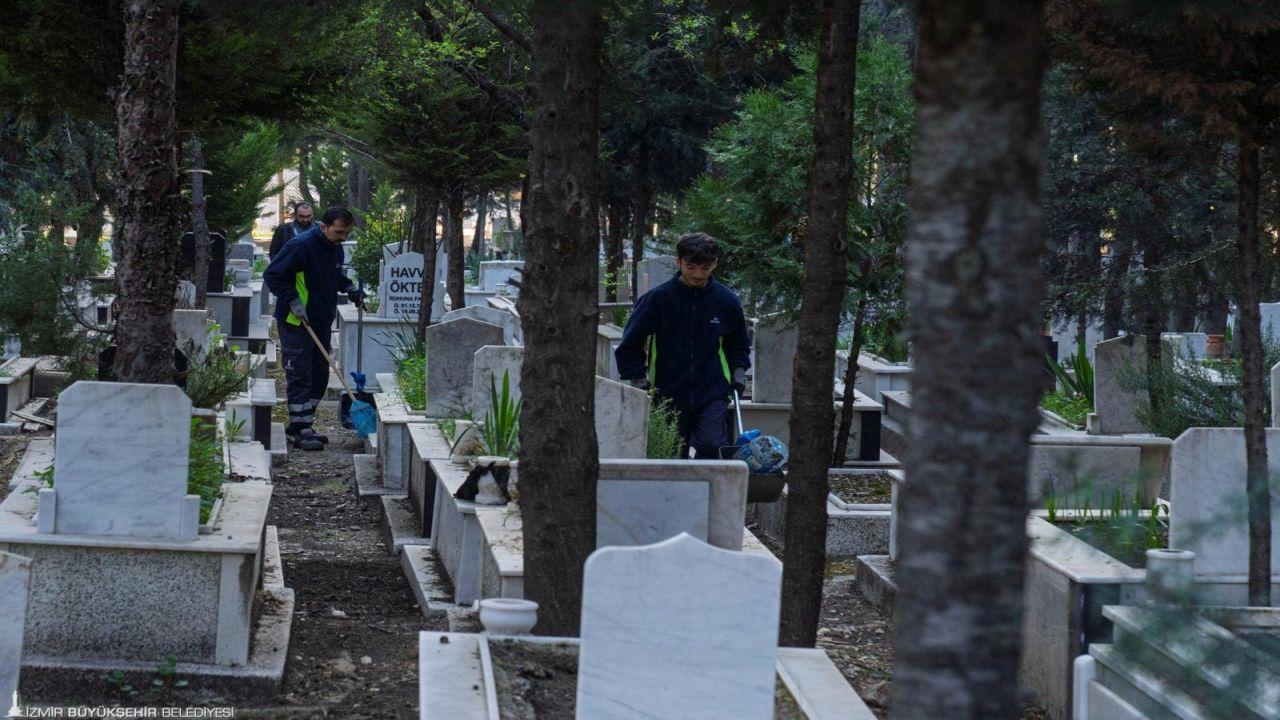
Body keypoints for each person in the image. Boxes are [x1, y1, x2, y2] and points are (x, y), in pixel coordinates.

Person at [615, 232, 750, 460]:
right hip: (667, 391)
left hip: (712, 390)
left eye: (705, 267)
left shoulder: (726, 301)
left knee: (712, 445)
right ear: (678, 262)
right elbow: (631, 342)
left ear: (715, 264)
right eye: (691, 267)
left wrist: (739, 371)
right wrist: (637, 377)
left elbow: (738, 342)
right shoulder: (657, 300)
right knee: (671, 452)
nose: (698, 274)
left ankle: (706, 491)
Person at [264, 206, 367, 450]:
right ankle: (302, 430)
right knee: (300, 373)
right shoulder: (300, 246)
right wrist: (291, 299)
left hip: (321, 320)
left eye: (346, 234)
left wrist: (350, 288)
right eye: (339, 232)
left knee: (320, 374)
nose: (342, 238)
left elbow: (333, 277)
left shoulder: (334, 248)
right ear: (324, 227)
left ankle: (302, 424)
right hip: (297, 321)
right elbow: (273, 275)